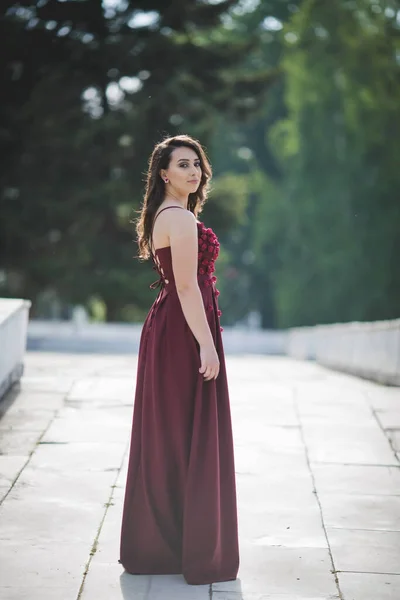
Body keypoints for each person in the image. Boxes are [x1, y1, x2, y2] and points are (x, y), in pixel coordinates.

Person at [119, 134, 239, 586]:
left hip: (171, 327)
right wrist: (206, 345)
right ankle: (180, 545)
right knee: (185, 433)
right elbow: (187, 287)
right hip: (182, 333)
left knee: (170, 434)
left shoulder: (166, 214)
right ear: (164, 173)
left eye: (197, 165)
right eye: (183, 165)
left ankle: (162, 545)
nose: (193, 172)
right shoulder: (180, 220)